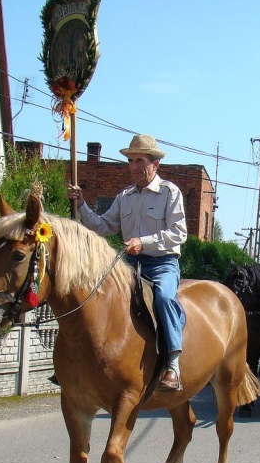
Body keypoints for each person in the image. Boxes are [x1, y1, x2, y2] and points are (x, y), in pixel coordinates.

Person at [66, 134, 187, 392]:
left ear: (155, 164)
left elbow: (179, 233)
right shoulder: (125, 196)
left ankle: (173, 365)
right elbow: (103, 225)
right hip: (129, 264)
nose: (133, 166)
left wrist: (144, 242)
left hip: (161, 264)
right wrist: (81, 205)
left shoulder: (170, 192)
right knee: (93, 292)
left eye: (139, 160)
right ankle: (83, 361)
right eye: (130, 160)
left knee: (164, 298)